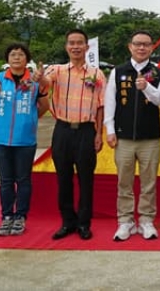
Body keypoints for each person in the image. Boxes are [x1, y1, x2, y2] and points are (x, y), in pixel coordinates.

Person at [104, 30, 160, 241]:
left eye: (146, 44)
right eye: (137, 44)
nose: (141, 48)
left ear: (152, 48)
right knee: (124, 181)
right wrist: (110, 130)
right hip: (123, 138)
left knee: (149, 181)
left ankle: (146, 220)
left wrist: (146, 87)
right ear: (130, 46)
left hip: (150, 138)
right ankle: (125, 221)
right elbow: (110, 102)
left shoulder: (158, 72)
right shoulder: (118, 71)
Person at [45, 29, 105, 241]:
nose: (76, 46)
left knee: (86, 179)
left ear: (87, 47)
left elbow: (100, 106)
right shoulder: (56, 70)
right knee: (63, 178)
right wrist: (37, 78)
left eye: (80, 43)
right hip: (62, 130)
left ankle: (83, 223)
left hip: (86, 131)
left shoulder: (96, 74)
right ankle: (67, 222)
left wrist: (99, 134)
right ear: (66, 47)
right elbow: (44, 84)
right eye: (72, 43)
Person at [0, 43, 49, 236]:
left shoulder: (34, 81)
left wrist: (30, 119)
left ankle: (21, 216)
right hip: (1, 139)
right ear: (7, 59)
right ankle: (7, 216)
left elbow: (44, 105)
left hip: (25, 139)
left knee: (23, 180)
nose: (16, 57)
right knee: (6, 180)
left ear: (27, 59)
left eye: (21, 54)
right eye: (13, 54)